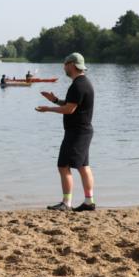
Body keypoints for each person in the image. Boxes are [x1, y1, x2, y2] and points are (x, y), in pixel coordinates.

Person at [36, 52, 96, 212]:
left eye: (65, 64)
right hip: (83, 131)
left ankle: (66, 203)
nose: (64, 67)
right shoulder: (84, 83)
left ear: (72, 65)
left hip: (76, 132)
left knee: (63, 166)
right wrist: (55, 100)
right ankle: (89, 202)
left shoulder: (78, 85)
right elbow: (72, 104)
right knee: (83, 166)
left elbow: (69, 109)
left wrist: (48, 109)